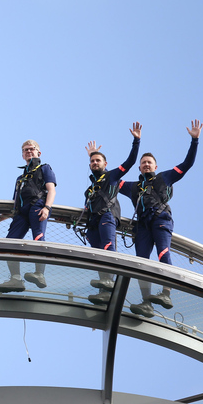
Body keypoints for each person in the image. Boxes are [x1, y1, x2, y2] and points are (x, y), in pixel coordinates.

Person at [119, 120, 203, 317]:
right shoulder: (132, 187)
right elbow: (111, 180)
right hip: (142, 226)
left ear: (155, 166)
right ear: (139, 168)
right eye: (143, 163)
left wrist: (194, 141)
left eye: (149, 162)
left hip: (160, 219)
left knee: (163, 253)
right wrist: (96, 160)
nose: (146, 164)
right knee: (141, 263)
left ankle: (166, 293)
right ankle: (146, 302)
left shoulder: (165, 177)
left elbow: (187, 164)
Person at [82, 123, 142, 304]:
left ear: (105, 164)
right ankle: (104, 290)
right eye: (92, 161)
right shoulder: (90, 189)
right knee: (98, 255)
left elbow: (130, 162)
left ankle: (110, 283)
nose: (95, 163)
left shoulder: (112, 176)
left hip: (107, 216)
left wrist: (136, 141)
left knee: (108, 248)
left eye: (98, 160)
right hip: (92, 222)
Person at [0, 139, 57, 292]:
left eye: (31, 149)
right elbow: (15, 205)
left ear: (39, 152)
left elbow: (51, 190)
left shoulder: (44, 168)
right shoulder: (20, 179)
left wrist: (47, 207)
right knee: (10, 243)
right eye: (25, 150)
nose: (28, 151)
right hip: (22, 212)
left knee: (38, 238)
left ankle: (39, 274)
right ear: (22, 155)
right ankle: (15, 279)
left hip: (38, 206)